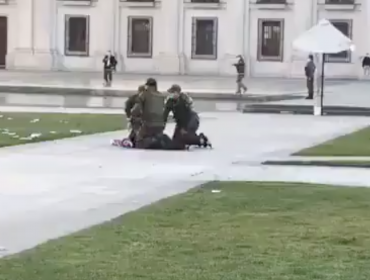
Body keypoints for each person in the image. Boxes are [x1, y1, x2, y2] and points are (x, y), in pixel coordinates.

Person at [164, 84, 211, 149]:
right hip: (181, 122)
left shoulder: (183, 100)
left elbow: (184, 115)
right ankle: (193, 137)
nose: (171, 95)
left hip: (191, 120)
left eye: (172, 93)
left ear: (177, 93)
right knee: (176, 141)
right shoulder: (170, 101)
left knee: (185, 135)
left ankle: (201, 139)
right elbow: (165, 114)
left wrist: (183, 128)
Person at [133, 78, 167, 149]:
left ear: (147, 86)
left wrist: (134, 116)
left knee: (139, 141)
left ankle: (152, 141)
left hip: (148, 123)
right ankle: (157, 141)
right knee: (156, 135)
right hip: (161, 125)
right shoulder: (161, 96)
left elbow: (137, 109)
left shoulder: (144, 94)